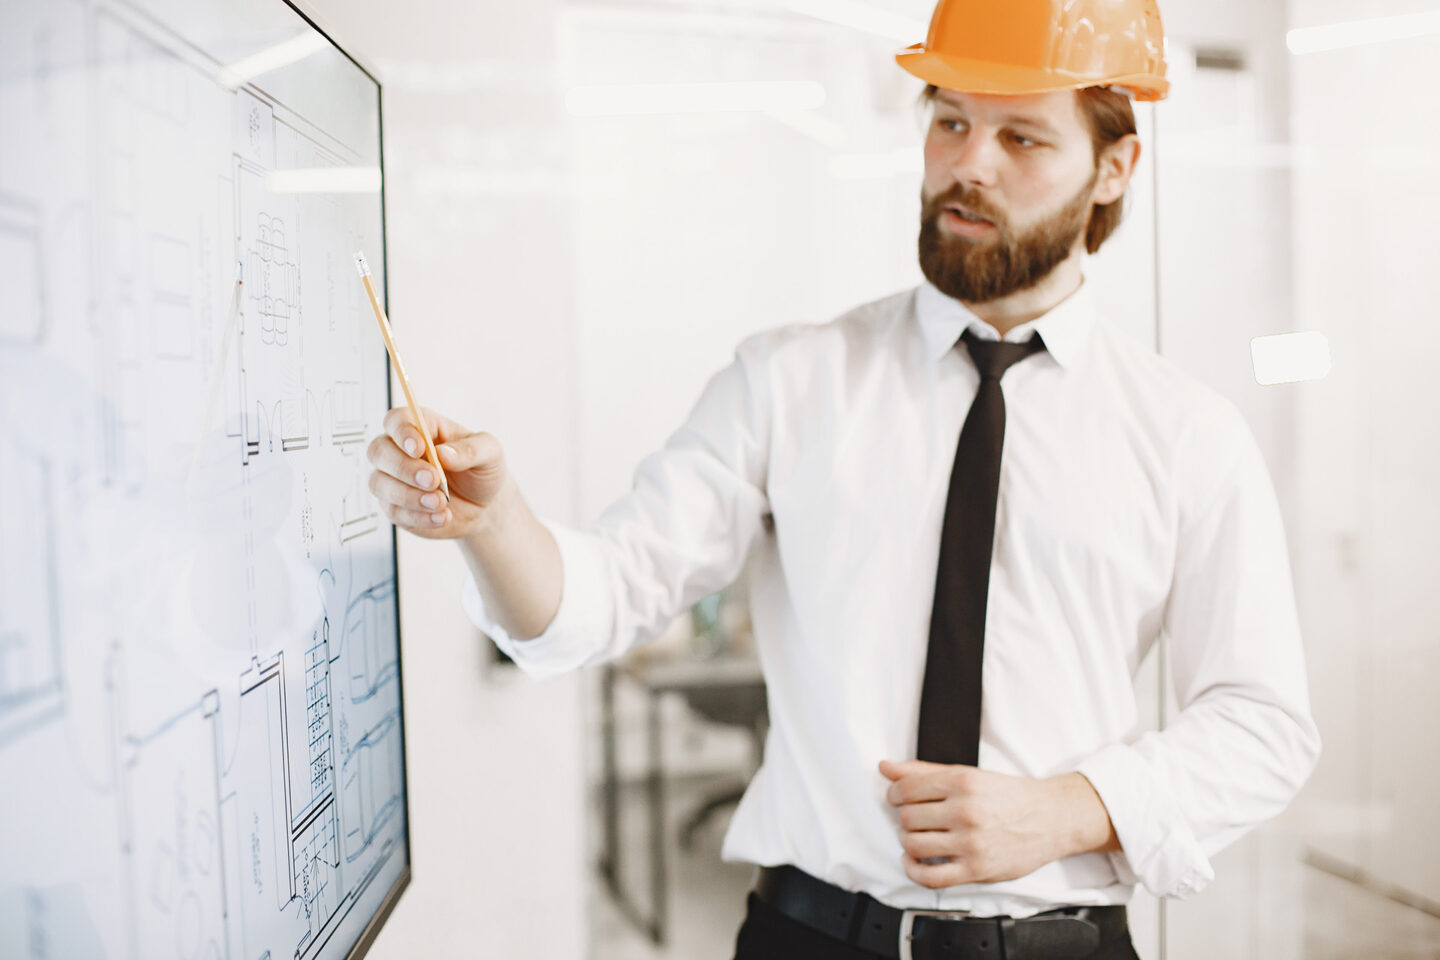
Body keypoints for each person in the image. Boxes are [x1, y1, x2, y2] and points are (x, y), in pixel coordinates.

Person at [365, 1, 1321, 956]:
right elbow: (604, 593)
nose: (969, 163)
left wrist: (1073, 810)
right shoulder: (791, 382)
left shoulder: (1189, 436)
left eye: (1021, 136)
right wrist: (496, 525)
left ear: (1114, 170)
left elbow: (1263, 726)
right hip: (809, 935)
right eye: (949, 120)